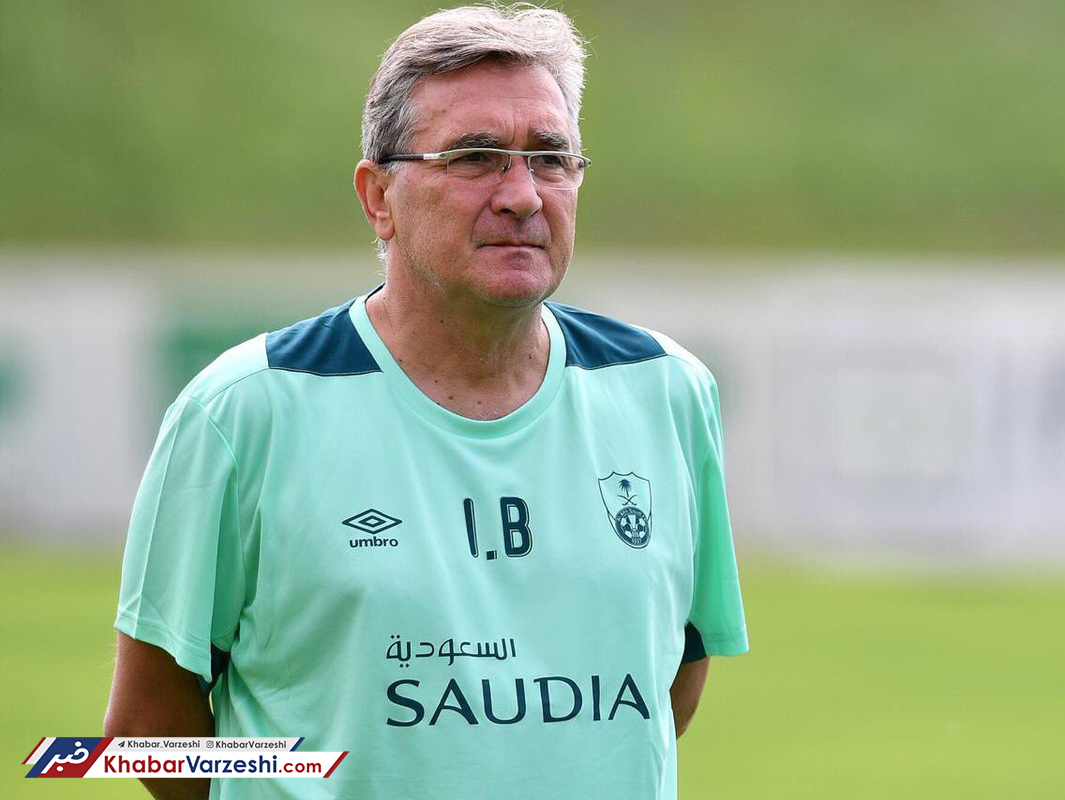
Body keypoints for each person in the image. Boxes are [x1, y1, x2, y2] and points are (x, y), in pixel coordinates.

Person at [105, 6, 748, 799]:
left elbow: (666, 683)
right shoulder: (243, 412)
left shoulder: (666, 389)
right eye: (476, 157)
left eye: (550, 158)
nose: (523, 195)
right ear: (378, 196)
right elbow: (147, 734)